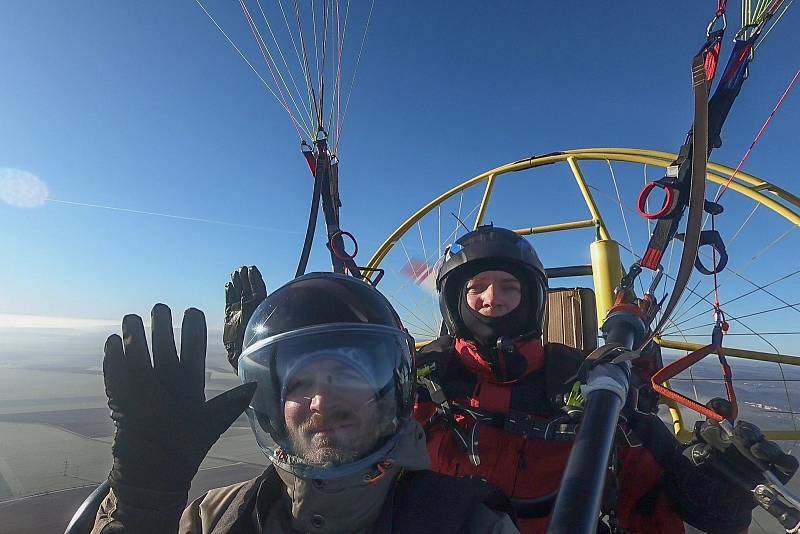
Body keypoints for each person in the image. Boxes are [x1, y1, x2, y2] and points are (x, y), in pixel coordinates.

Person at [412, 225, 798, 534]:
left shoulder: (584, 385)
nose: (492, 299)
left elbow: (648, 492)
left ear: (532, 298)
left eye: (509, 287)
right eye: (476, 287)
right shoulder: (419, 380)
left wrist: (720, 500)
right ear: (455, 301)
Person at [93, 272, 519, 534]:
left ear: (392, 390)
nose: (320, 400)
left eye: (346, 376)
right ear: (274, 407)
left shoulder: (470, 523)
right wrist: (143, 501)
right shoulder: (211, 519)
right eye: (298, 384)